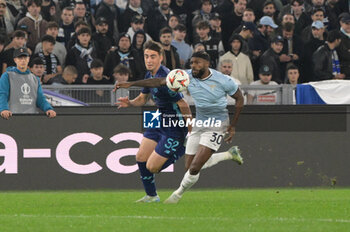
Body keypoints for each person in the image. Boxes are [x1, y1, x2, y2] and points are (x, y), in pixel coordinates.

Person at [115, 50, 244, 204]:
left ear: (207, 64)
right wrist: (131, 84)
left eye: (198, 63)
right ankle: (228, 155)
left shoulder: (223, 80)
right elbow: (158, 82)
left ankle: (176, 195)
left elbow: (239, 98)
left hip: (217, 122)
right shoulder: (186, 75)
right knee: (189, 166)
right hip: (195, 121)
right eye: (192, 63)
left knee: (192, 167)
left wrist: (233, 126)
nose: (194, 66)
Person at [115, 40, 192, 203]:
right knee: (141, 157)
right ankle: (151, 196)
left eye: (153, 57)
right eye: (146, 56)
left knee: (152, 167)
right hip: (158, 119)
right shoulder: (149, 75)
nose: (149, 60)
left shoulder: (167, 78)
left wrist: (191, 129)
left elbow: (182, 103)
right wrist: (130, 102)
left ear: (160, 58)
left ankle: (182, 148)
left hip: (174, 125)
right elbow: (143, 98)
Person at [0, 47, 56, 119]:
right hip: (13, 117)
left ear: (28, 59)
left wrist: (48, 108)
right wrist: (4, 109)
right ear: (15, 60)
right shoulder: (7, 76)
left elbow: (40, 98)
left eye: (25, 58)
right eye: (20, 58)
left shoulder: (35, 78)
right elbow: (3, 94)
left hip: (31, 118)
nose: (23, 60)